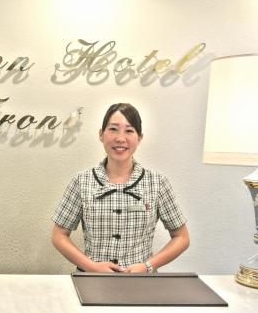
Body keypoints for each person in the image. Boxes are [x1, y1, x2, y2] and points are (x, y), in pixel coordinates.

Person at [51, 103, 189, 273]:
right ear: (101, 135)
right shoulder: (81, 181)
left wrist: (147, 266)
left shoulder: (157, 182)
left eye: (129, 131)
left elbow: (181, 237)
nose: (120, 138)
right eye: (113, 129)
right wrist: (92, 266)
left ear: (139, 137)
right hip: (93, 280)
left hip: (141, 284)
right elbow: (59, 235)